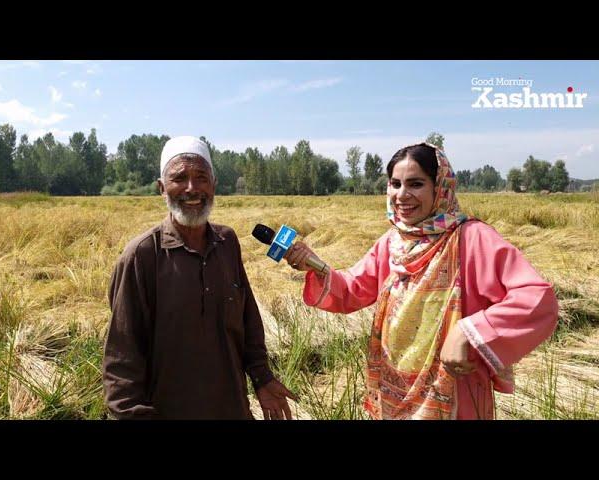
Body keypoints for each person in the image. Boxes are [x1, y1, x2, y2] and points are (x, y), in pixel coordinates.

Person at [283, 142, 558, 420]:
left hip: (455, 393)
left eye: (415, 184)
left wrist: (468, 331)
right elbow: (353, 289)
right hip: (395, 392)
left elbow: (537, 298)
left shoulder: (472, 238)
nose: (402, 195)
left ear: (440, 188)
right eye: (395, 184)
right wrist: (316, 267)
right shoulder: (394, 242)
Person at [102, 135, 295, 420]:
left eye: (201, 177)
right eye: (180, 178)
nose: (192, 188)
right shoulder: (142, 256)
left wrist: (262, 378)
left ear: (214, 185)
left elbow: (247, 320)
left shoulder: (226, 242)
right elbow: (121, 361)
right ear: (161, 188)